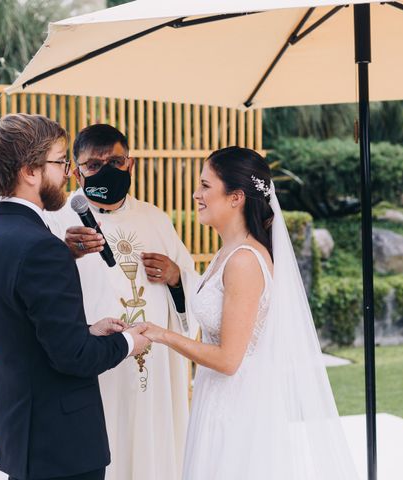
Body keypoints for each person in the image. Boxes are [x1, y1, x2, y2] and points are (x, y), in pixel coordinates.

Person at [143, 147, 360, 480]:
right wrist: (176, 278)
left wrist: (161, 334)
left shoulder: (243, 261)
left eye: (205, 186)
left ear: (236, 197)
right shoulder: (226, 253)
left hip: (238, 409)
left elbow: (230, 359)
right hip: (215, 399)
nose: (195, 194)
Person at [0, 114, 150, 480]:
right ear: (30, 172)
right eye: (60, 161)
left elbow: (25, 328)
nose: (68, 172)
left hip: (22, 437)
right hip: (62, 448)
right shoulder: (42, 248)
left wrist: (86, 328)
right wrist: (131, 342)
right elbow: (74, 358)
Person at [44, 124, 198, 480]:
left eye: (115, 161)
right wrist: (63, 254)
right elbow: (41, 291)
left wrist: (176, 277)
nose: (106, 171)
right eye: (94, 165)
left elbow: (194, 294)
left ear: (131, 165)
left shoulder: (155, 218)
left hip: (152, 368)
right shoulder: (57, 221)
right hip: (96, 368)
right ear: (76, 169)